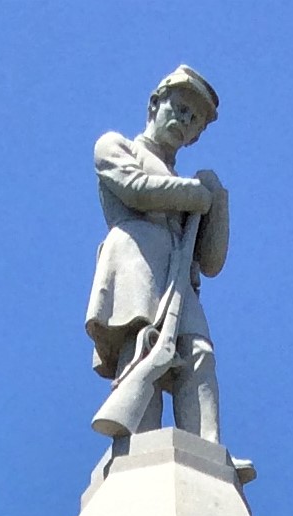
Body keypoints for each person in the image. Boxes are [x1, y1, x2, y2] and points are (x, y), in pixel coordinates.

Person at [85, 67, 228, 444]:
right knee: (141, 350)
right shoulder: (117, 146)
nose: (185, 120)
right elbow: (136, 189)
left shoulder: (193, 187)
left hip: (180, 278)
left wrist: (218, 199)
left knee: (199, 355)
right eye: (180, 108)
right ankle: (137, 443)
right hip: (136, 264)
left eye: (194, 119)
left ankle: (207, 449)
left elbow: (211, 262)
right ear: (154, 104)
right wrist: (194, 194)